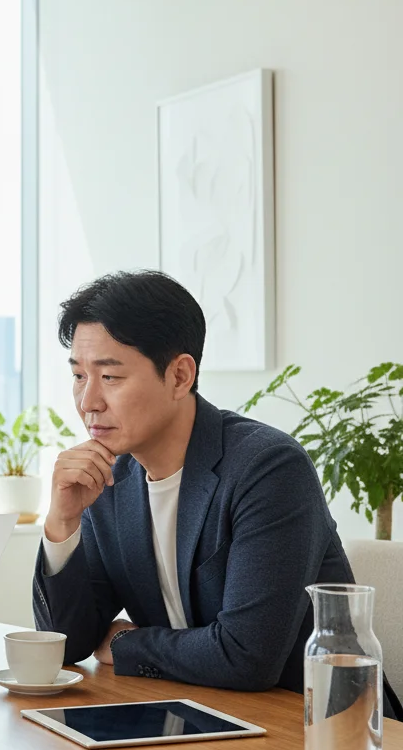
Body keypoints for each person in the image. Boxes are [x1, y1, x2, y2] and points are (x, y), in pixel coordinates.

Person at [33, 270, 401, 715]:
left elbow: (248, 657)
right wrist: (62, 521)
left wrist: (127, 643)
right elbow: (67, 644)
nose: (88, 401)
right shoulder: (109, 478)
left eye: (110, 376)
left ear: (179, 376)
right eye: (78, 376)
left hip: (320, 725)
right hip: (196, 716)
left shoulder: (268, 468)